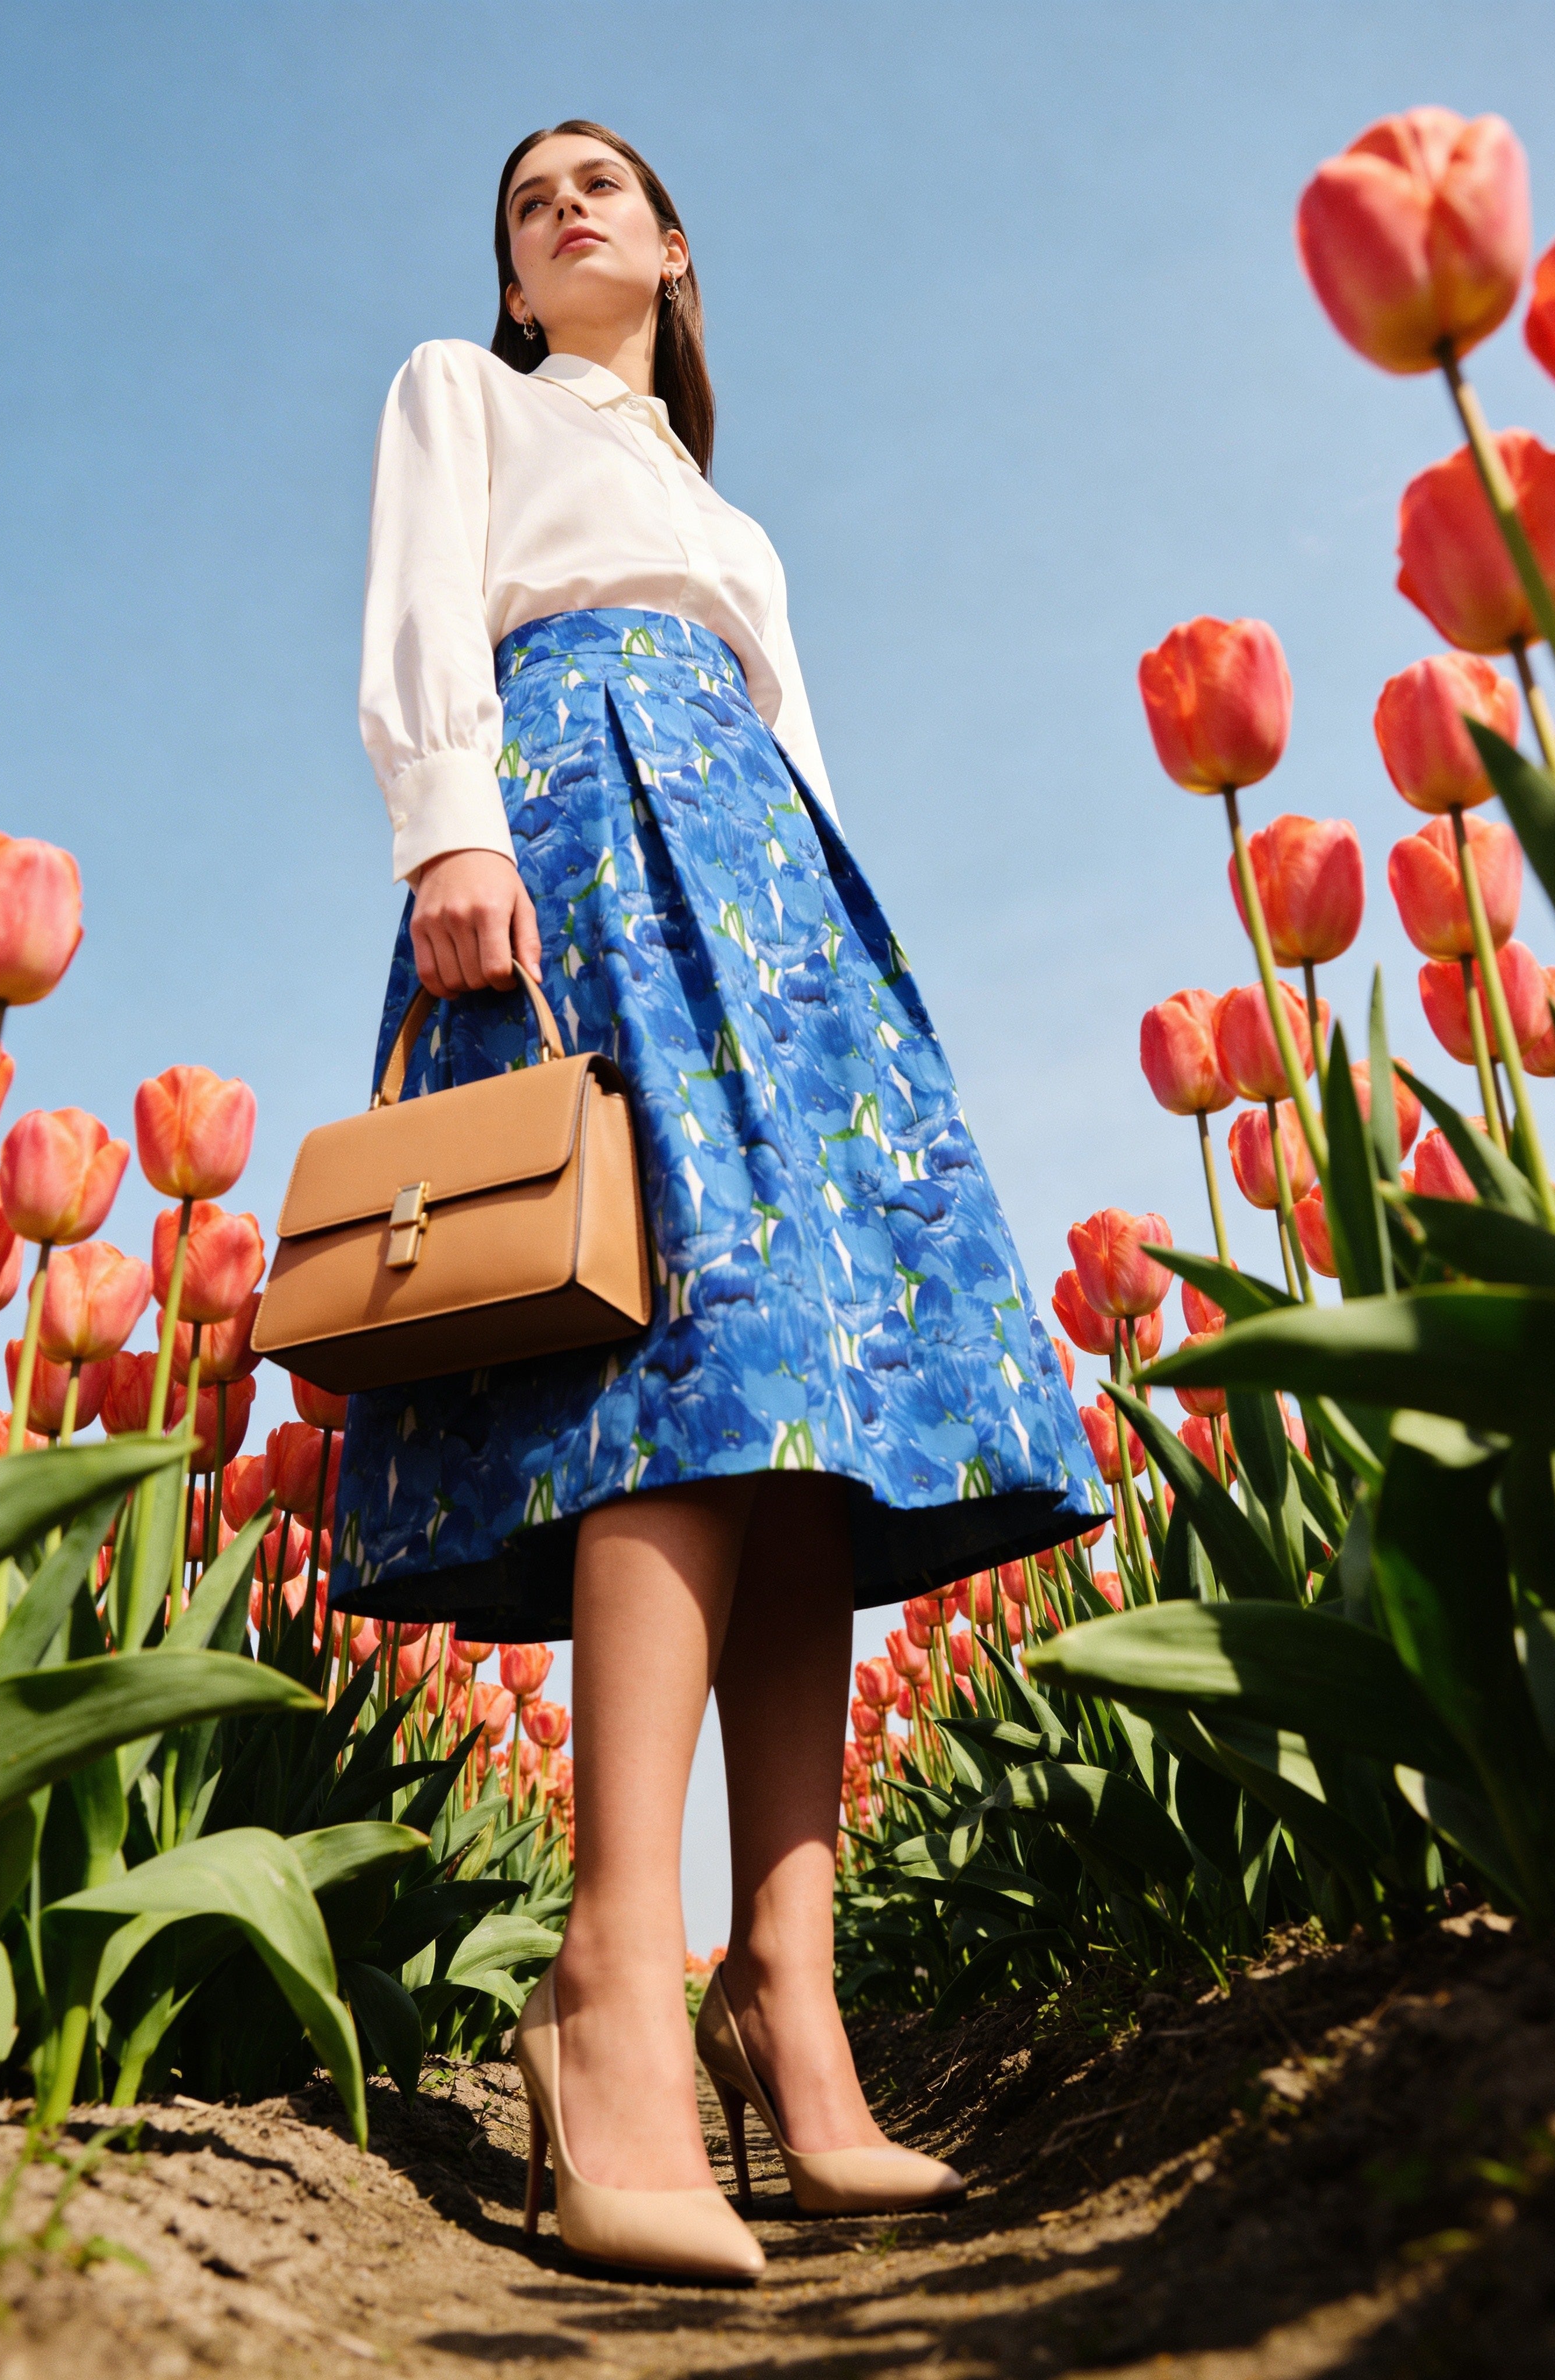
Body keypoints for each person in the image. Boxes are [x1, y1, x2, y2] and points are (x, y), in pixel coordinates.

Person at [331, 120, 1102, 2279]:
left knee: (813, 1424)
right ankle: (615, 1979)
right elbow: (424, 625)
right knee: (674, 1384)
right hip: (582, 844)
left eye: (604, 184)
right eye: (525, 198)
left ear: (674, 248)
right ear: (510, 274)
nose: (565, 207)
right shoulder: (458, 395)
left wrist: (863, 986)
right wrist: (447, 835)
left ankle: (793, 1987)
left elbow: (806, 751)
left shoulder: (732, 523)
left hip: (779, 903)